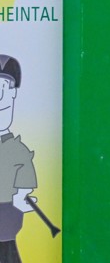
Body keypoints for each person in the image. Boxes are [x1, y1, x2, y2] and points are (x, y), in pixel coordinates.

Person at [0, 55, 36, 263]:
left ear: (12, 94)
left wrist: (22, 198)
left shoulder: (18, 151)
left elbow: (23, 190)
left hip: (5, 226)